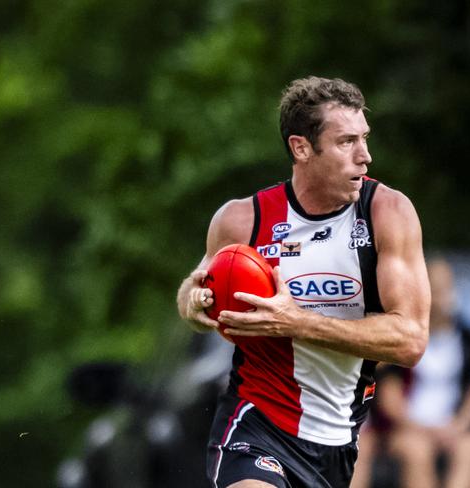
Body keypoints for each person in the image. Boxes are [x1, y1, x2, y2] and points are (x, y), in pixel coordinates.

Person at [176, 76, 431, 488]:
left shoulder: (388, 212)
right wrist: (192, 300)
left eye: (364, 139)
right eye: (346, 142)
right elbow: (195, 289)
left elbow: (410, 340)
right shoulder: (244, 219)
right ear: (301, 147)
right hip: (254, 424)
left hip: (336, 442)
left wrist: (297, 323)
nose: (365, 156)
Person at [350, 257, 470, 488]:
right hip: (408, 428)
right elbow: (389, 397)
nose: (442, 297)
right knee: (416, 450)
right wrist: (423, 429)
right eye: (435, 288)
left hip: (453, 426)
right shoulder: (403, 336)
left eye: (446, 289)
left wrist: (457, 427)